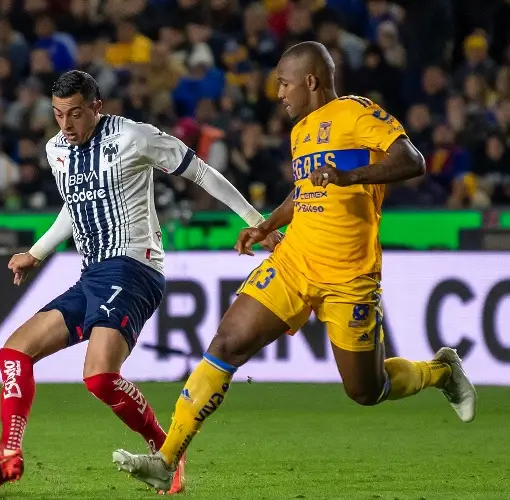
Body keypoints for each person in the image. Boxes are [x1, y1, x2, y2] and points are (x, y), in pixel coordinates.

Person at [111, 41, 478, 491]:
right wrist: (267, 226)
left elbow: (412, 161)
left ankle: (440, 371)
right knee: (227, 342)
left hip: (349, 276)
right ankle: (167, 460)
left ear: (311, 81)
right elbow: (304, 191)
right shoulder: (300, 131)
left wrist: (350, 177)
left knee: (365, 390)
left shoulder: (357, 113)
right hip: (294, 262)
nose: (279, 93)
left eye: (284, 84)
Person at [0, 70, 283, 495]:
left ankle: (166, 452)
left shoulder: (135, 136)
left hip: (134, 267)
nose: (66, 125)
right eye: (57, 115)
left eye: (74, 114)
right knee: (13, 353)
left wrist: (258, 222)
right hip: (91, 274)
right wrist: (37, 253)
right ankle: (9, 452)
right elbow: (74, 207)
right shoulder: (57, 150)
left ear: (96, 107)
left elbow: (201, 172)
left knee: (98, 376)